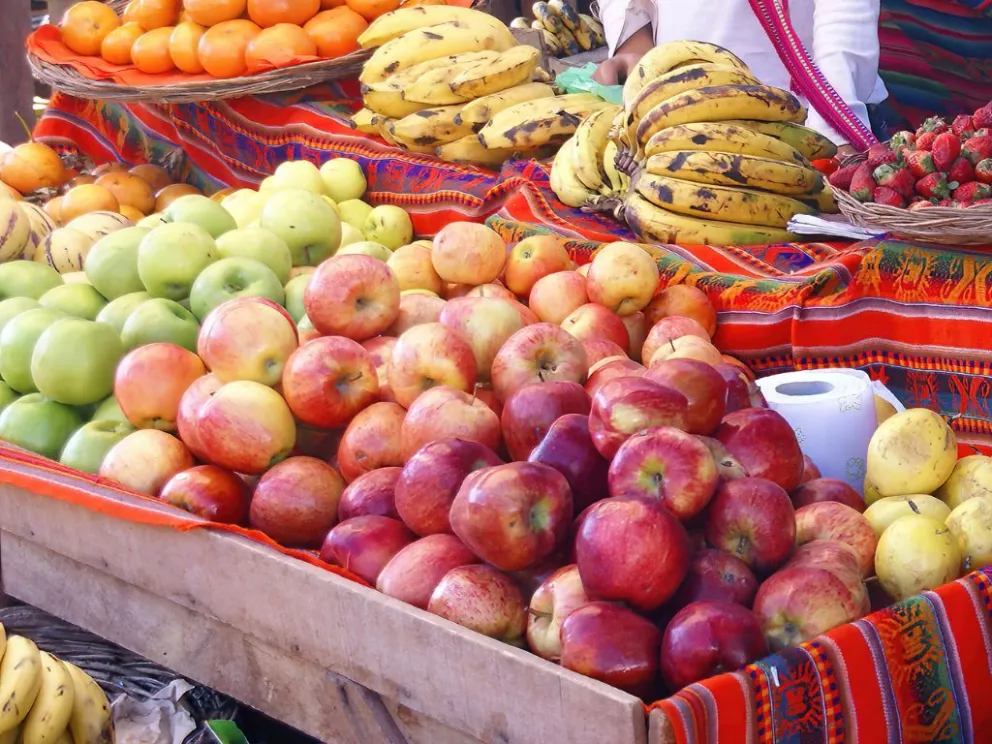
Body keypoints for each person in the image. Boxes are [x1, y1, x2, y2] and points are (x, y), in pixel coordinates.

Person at [592, 0, 889, 157]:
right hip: (672, 121)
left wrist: (834, 129)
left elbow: (844, 8)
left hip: (810, 125)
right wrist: (633, 39)